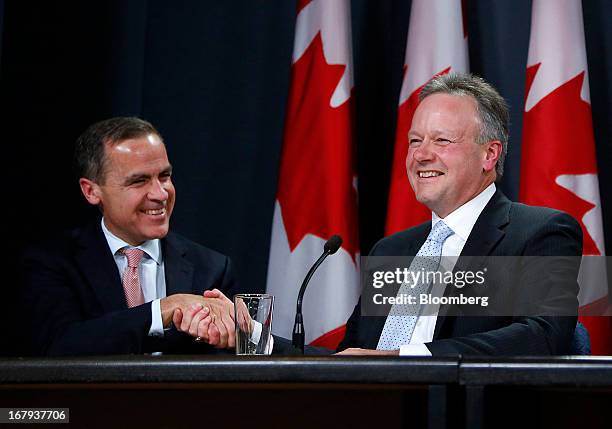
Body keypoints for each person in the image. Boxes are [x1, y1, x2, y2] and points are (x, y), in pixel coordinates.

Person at [336, 73, 582, 356]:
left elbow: (543, 336)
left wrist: (404, 360)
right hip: (369, 400)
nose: (421, 155)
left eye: (441, 140)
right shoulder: (389, 251)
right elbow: (352, 357)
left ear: (489, 154)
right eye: (415, 141)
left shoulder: (540, 234)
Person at [21, 117, 237, 356]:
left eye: (164, 176)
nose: (160, 193)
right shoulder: (54, 262)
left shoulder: (211, 268)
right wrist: (162, 310)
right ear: (91, 191)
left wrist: (240, 332)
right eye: (139, 181)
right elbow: (59, 347)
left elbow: (229, 358)